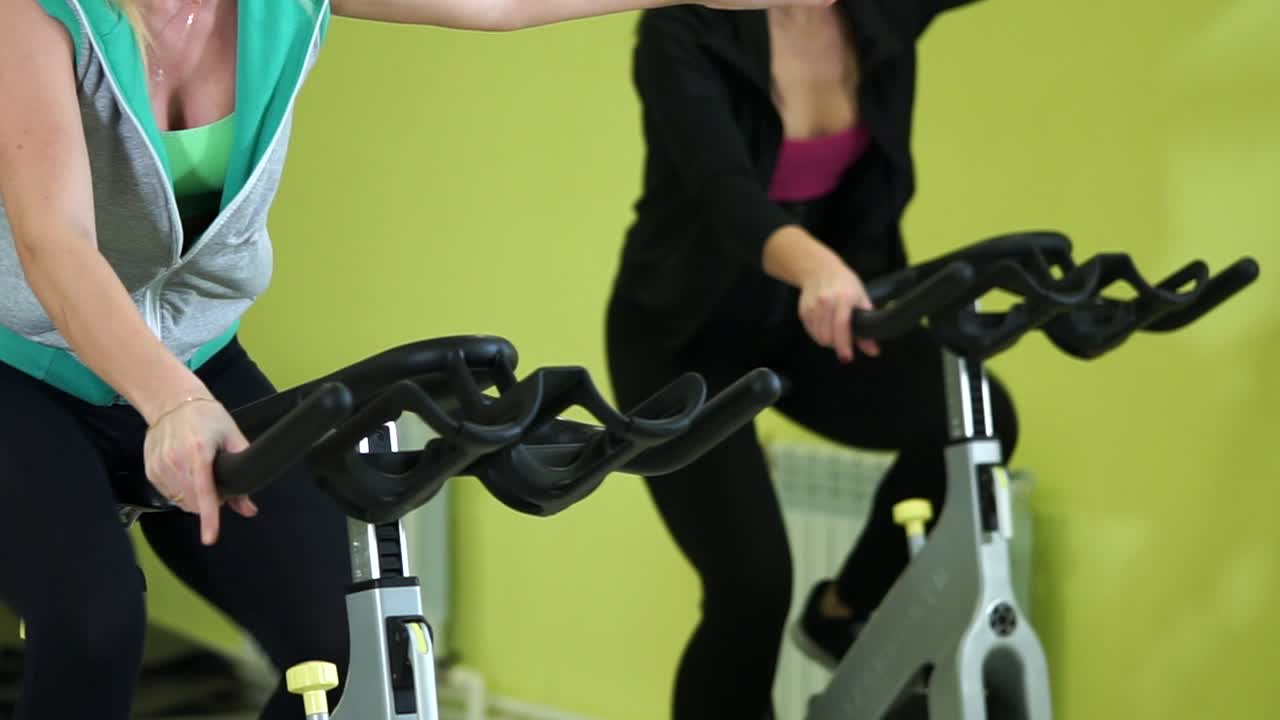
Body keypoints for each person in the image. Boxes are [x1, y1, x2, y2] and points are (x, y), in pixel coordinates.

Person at [0, 0, 836, 718]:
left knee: (350, 639)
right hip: (29, 369)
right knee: (93, 627)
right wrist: (168, 401)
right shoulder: (38, 14)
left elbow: (495, 4)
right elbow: (54, 240)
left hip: (199, 361)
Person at [604, 2, 1019, 717]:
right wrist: (819, 269)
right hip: (682, 334)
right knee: (752, 584)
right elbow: (725, 193)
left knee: (973, 421)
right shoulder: (681, 31)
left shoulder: (881, 14)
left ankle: (844, 607)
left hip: (812, 322)